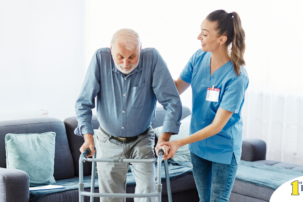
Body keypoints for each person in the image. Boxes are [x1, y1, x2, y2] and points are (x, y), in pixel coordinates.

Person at [74, 28, 182, 202]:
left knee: (148, 192)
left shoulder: (152, 58)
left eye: (132, 56)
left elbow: (172, 102)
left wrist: (164, 139)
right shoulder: (100, 59)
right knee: (110, 198)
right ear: (111, 50)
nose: (125, 63)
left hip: (142, 139)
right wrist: (88, 138)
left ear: (140, 48)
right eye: (120, 57)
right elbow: (83, 103)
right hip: (107, 140)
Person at [158, 10, 249, 202]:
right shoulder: (198, 58)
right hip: (198, 146)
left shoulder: (237, 76)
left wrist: (178, 142)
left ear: (221, 39)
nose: (199, 37)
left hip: (223, 149)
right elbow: (175, 89)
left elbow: (217, 126)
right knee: (203, 199)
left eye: (205, 34)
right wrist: (152, 69)